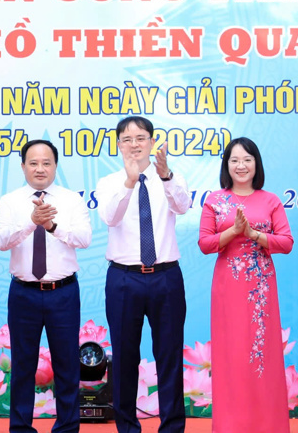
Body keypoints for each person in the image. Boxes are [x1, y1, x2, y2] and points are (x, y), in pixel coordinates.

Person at [95, 116, 190, 433]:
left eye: (140, 138)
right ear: (118, 144)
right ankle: (127, 427)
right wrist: (129, 182)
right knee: (124, 357)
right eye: (127, 139)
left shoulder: (169, 177)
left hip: (166, 277)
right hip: (124, 279)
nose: (134, 144)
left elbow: (184, 205)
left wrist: (166, 176)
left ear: (152, 141)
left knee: (170, 355)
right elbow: (110, 217)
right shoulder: (109, 182)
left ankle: (172, 427)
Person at [0, 139, 91, 433]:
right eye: (33, 163)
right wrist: (31, 222)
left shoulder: (72, 200)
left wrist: (52, 227)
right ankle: (21, 428)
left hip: (63, 292)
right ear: (22, 166)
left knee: (66, 364)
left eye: (46, 163)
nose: (40, 168)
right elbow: (1, 241)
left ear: (55, 166)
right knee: (23, 365)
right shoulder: (11, 201)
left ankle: (67, 427)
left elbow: (84, 239)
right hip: (24, 293)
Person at [197, 137, 294, 432]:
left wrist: (253, 234)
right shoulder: (214, 200)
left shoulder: (270, 200)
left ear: (256, 164)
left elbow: (287, 243)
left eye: (247, 159)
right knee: (231, 357)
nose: (241, 166)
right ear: (227, 165)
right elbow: (204, 243)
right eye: (235, 160)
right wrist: (234, 232)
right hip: (228, 287)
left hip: (261, 288)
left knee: (262, 355)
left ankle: (267, 425)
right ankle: (231, 425)